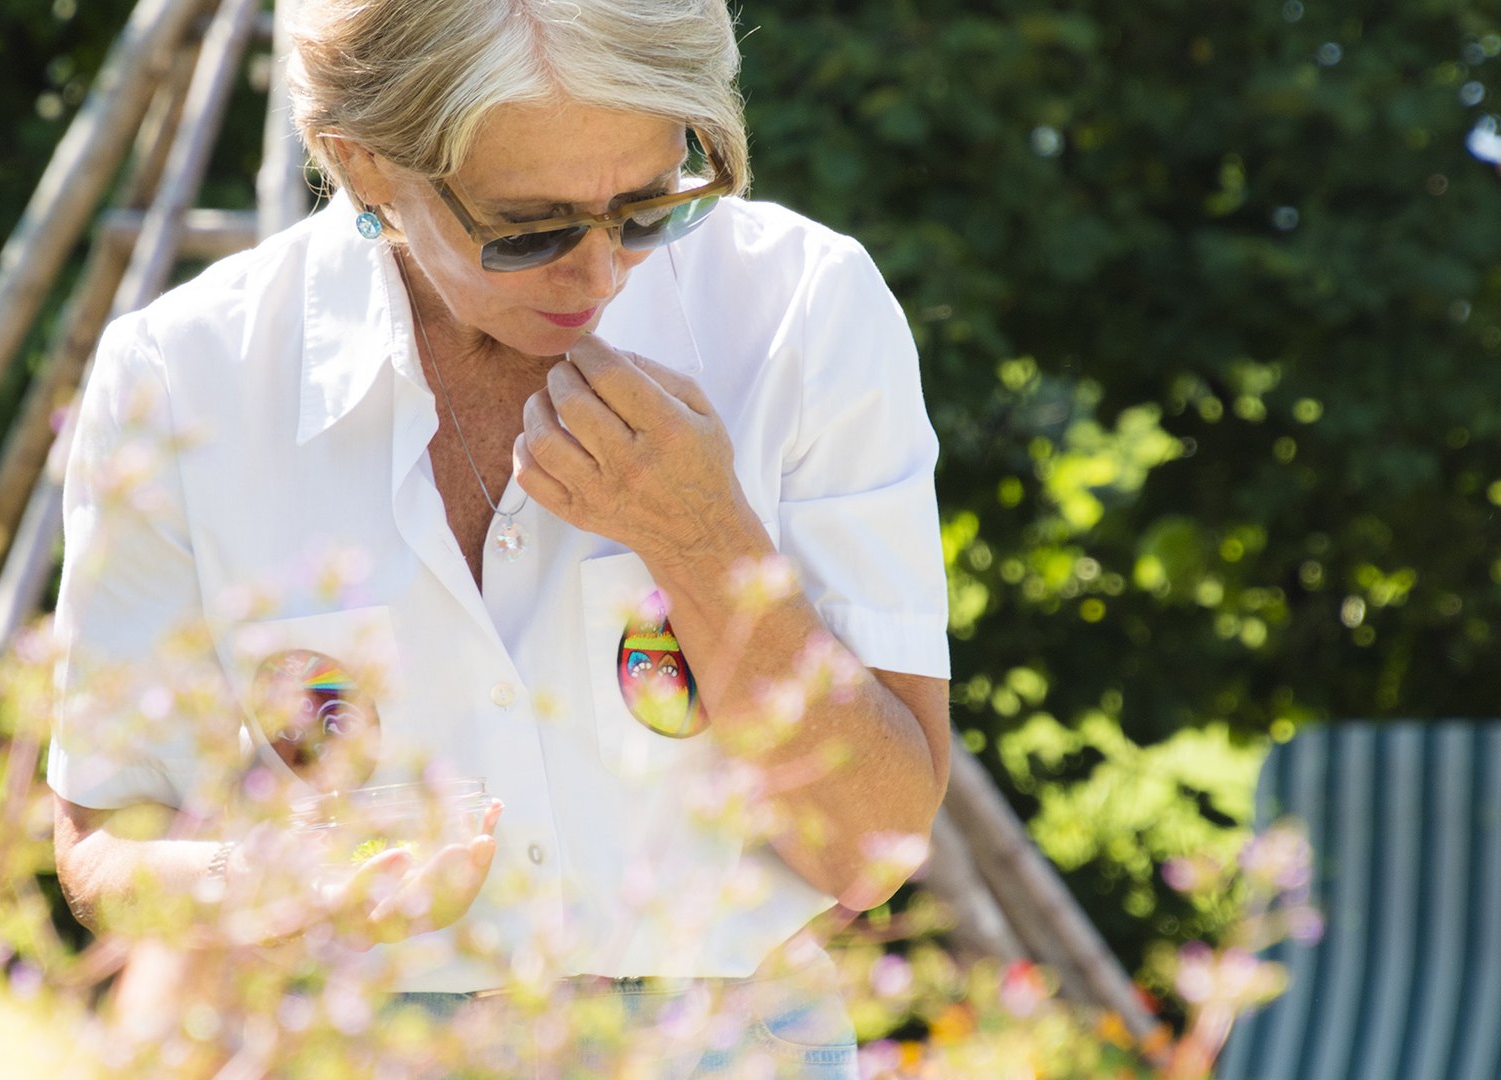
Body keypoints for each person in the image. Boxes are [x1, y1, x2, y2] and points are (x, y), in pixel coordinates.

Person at [48, 0, 952, 1073]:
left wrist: (708, 545)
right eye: (530, 228)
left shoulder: (805, 312)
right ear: (365, 166)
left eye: (653, 207)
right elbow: (103, 841)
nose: (602, 273)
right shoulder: (185, 378)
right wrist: (268, 883)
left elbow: (873, 850)